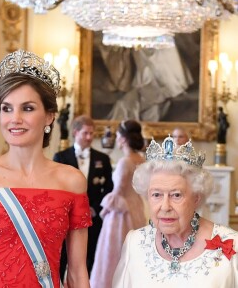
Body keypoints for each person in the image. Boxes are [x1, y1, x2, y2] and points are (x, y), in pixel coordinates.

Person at [0, 49, 92, 288]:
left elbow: (77, 273)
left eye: (27, 108)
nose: (14, 118)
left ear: (49, 116)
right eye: (6, 108)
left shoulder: (72, 181)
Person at [112, 136, 238, 288]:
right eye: (156, 195)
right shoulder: (134, 243)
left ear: (196, 198)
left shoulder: (232, 243)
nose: (165, 207)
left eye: (176, 195)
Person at [53, 115, 113, 279]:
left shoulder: (103, 159)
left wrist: (94, 207)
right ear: (75, 132)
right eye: (86, 133)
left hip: (93, 216)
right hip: (66, 216)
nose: (89, 137)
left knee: (90, 257)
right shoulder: (61, 157)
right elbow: (56, 188)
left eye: (91, 133)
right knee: (63, 257)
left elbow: (109, 188)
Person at [90, 120, 147, 288]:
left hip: (121, 214)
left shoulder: (125, 162)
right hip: (137, 208)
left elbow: (118, 191)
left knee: (113, 253)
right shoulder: (141, 160)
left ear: (122, 139)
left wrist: (104, 209)